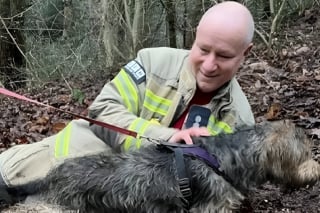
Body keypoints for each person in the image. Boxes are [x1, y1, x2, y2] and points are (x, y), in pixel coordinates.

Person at [0, 1, 255, 202]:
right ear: (194, 39)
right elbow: (102, 111)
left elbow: (219, 191)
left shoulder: (240, 122)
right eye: (203, 50)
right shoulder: (153, 63)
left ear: (246, 53)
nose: (209, 65)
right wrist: (163, 138)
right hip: (47, 164)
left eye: (223, 56)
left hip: (106, 201)